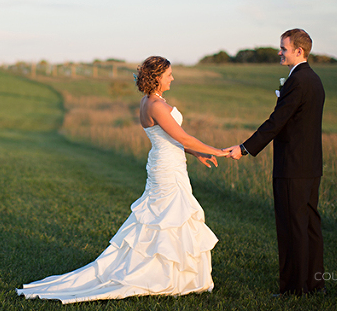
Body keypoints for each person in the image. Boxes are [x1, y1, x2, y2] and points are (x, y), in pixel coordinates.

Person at [17, 56, 228, 304]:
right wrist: (218, 150)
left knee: (168, 217)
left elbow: (173, 139)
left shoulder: (151, 102)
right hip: (167, 168)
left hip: (169, 163)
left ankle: (174, 273)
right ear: (158, 77)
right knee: (167, 217)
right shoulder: (155, 106)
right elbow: (183, 137)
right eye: (169, 74)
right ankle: (161, 274)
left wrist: (198, 153)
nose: (173, 78)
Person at [225, 28, 326, 296]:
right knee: (309, 226)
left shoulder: (299, 81)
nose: (279, 52)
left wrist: (245, 148)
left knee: (292, 227)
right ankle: (314, 286)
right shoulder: (313, 79)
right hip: (311, 164)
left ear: (298, 51)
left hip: (293, 166)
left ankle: (294, 289)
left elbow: (277, 122)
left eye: (283, 48)